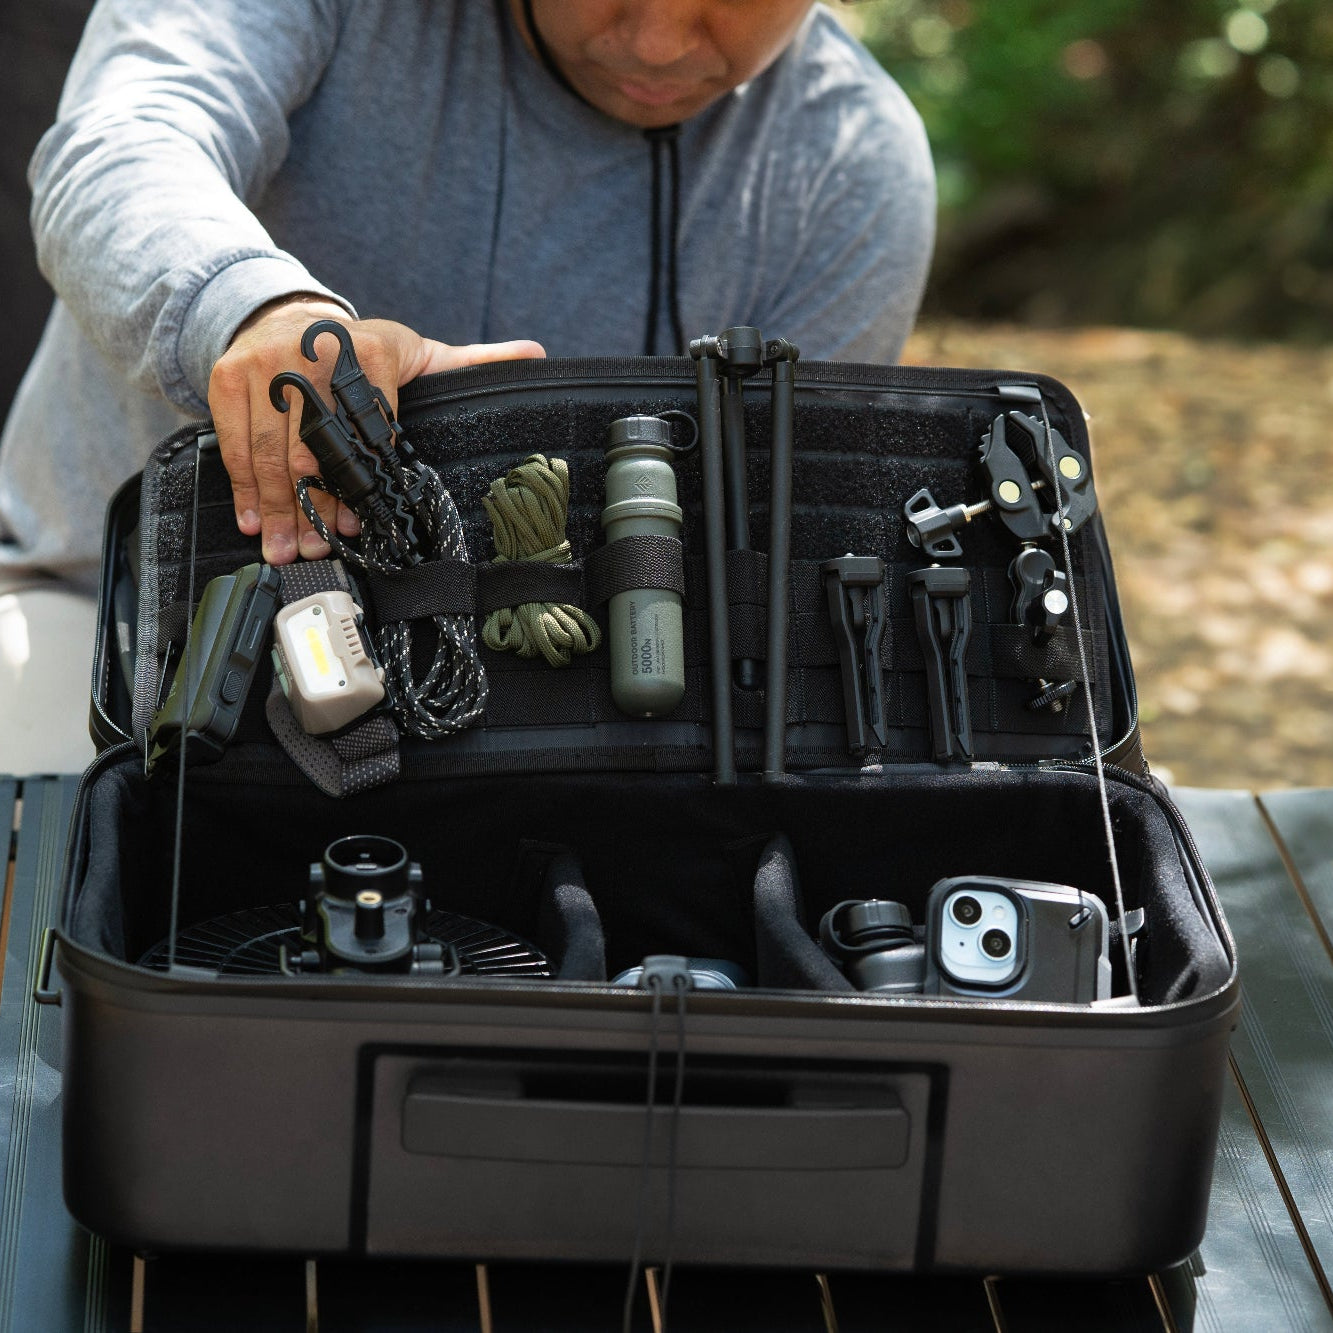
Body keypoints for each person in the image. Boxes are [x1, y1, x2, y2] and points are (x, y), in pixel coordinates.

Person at [0, 0, 936, 770]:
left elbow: (770, 573)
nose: (656, 40)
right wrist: (257, 311)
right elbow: (119, 143)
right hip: (113, 624)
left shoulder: (852, 167)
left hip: (573, 716)